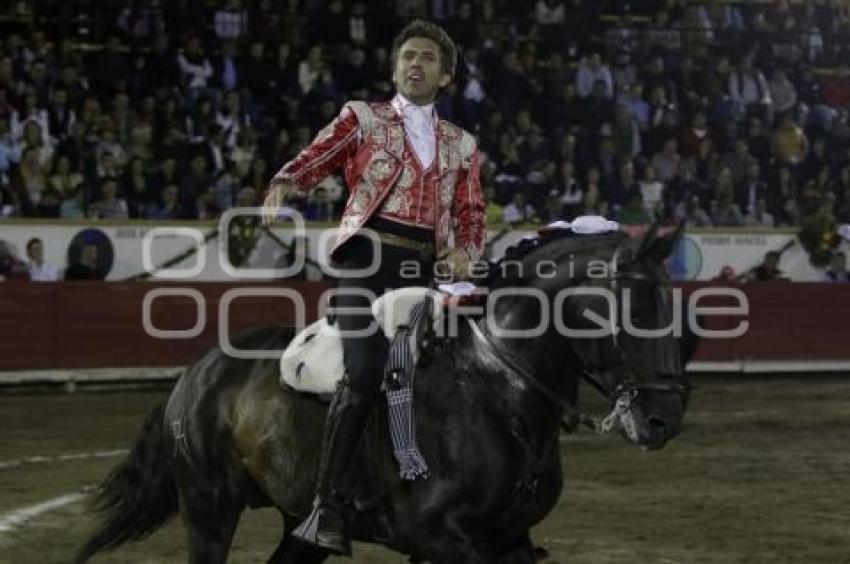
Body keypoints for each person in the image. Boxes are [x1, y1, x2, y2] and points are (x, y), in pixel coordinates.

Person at [261, 20, 485, 556]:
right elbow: (320, 154)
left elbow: (471, 215)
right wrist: (286, 182)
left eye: (428, 58)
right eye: (408, 56)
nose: (416, 64)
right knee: (365, 367)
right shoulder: (363, 117)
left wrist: (464, 252)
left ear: (446, 75)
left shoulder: (462, 144)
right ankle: (327, 504)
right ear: (394, 68)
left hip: (423, 270)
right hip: (367, 259)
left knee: (461, 373)